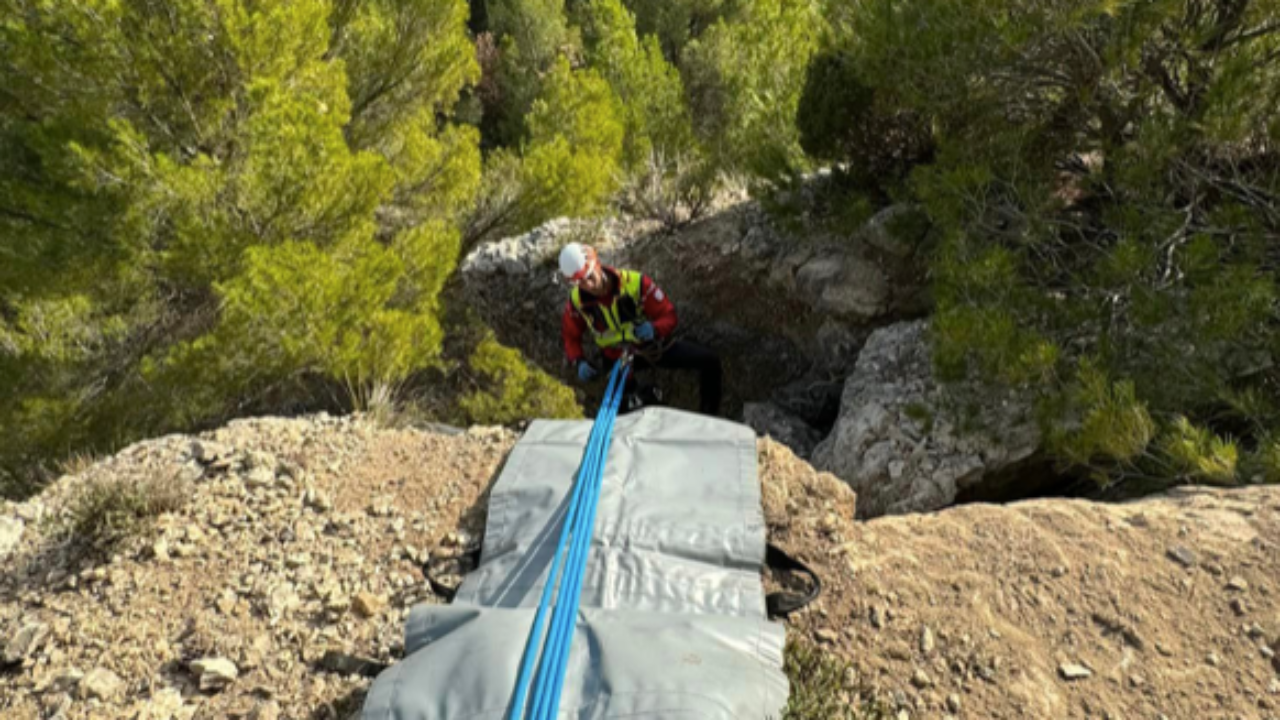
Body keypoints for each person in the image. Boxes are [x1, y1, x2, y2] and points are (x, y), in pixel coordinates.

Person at [558, 242, 722, 416]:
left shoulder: (634, 283)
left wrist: (655, 328)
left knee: (710, 361)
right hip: (616, 358)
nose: (588, 286)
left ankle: (709, 417)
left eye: (590, 277)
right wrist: (578, 360)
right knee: (623, 412)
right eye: (580, 283)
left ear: (597, 265)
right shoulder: (577, 302)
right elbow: (571, 335)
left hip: (648, 346)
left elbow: (668, 315)